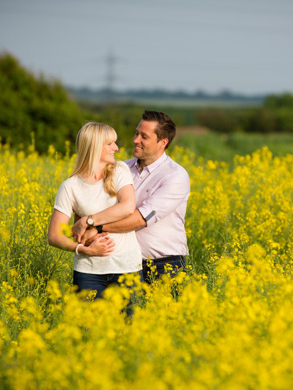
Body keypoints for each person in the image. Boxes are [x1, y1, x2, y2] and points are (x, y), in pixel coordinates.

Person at [73, 110, 190, 284]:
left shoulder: (175, 175)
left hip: (164, 265)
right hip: (123, 264)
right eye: (136, 133)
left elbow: (141, 218)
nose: (135, 140)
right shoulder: (120, 169)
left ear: (162, 142)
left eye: (144, 136)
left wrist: (94, 226)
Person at [48, 122, 142, 301]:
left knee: (129, 327)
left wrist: (87, 221)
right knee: (89, 328)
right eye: (110, 144)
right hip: (88, 272)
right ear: (94, 146)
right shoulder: (70, 186)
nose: (116, 147)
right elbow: (54, 235)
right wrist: (84, 250)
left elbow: (128, 206)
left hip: (127, 268)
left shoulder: (119, 171)